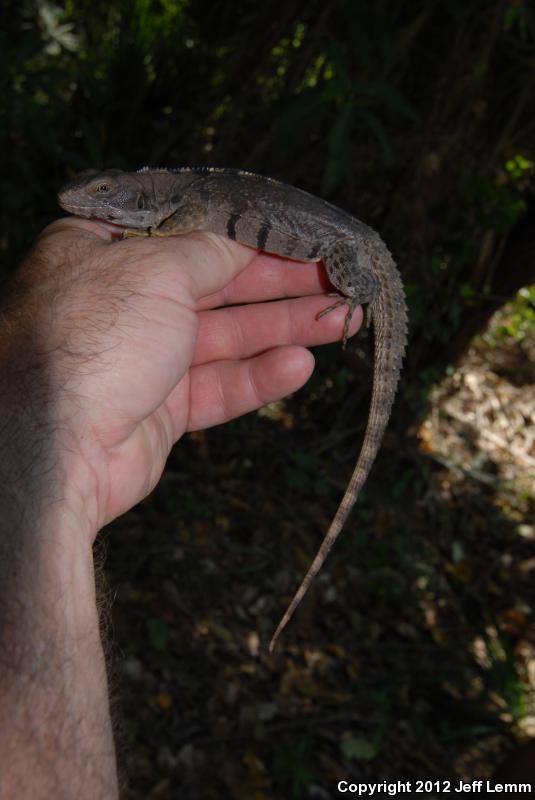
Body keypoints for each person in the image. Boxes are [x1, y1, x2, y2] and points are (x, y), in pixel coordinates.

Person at [0, 216, 361, 797]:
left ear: (135, 203)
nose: (89, 206)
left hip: (345, 245)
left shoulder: (185, 212)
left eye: (104, 198)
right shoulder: (164, 217)